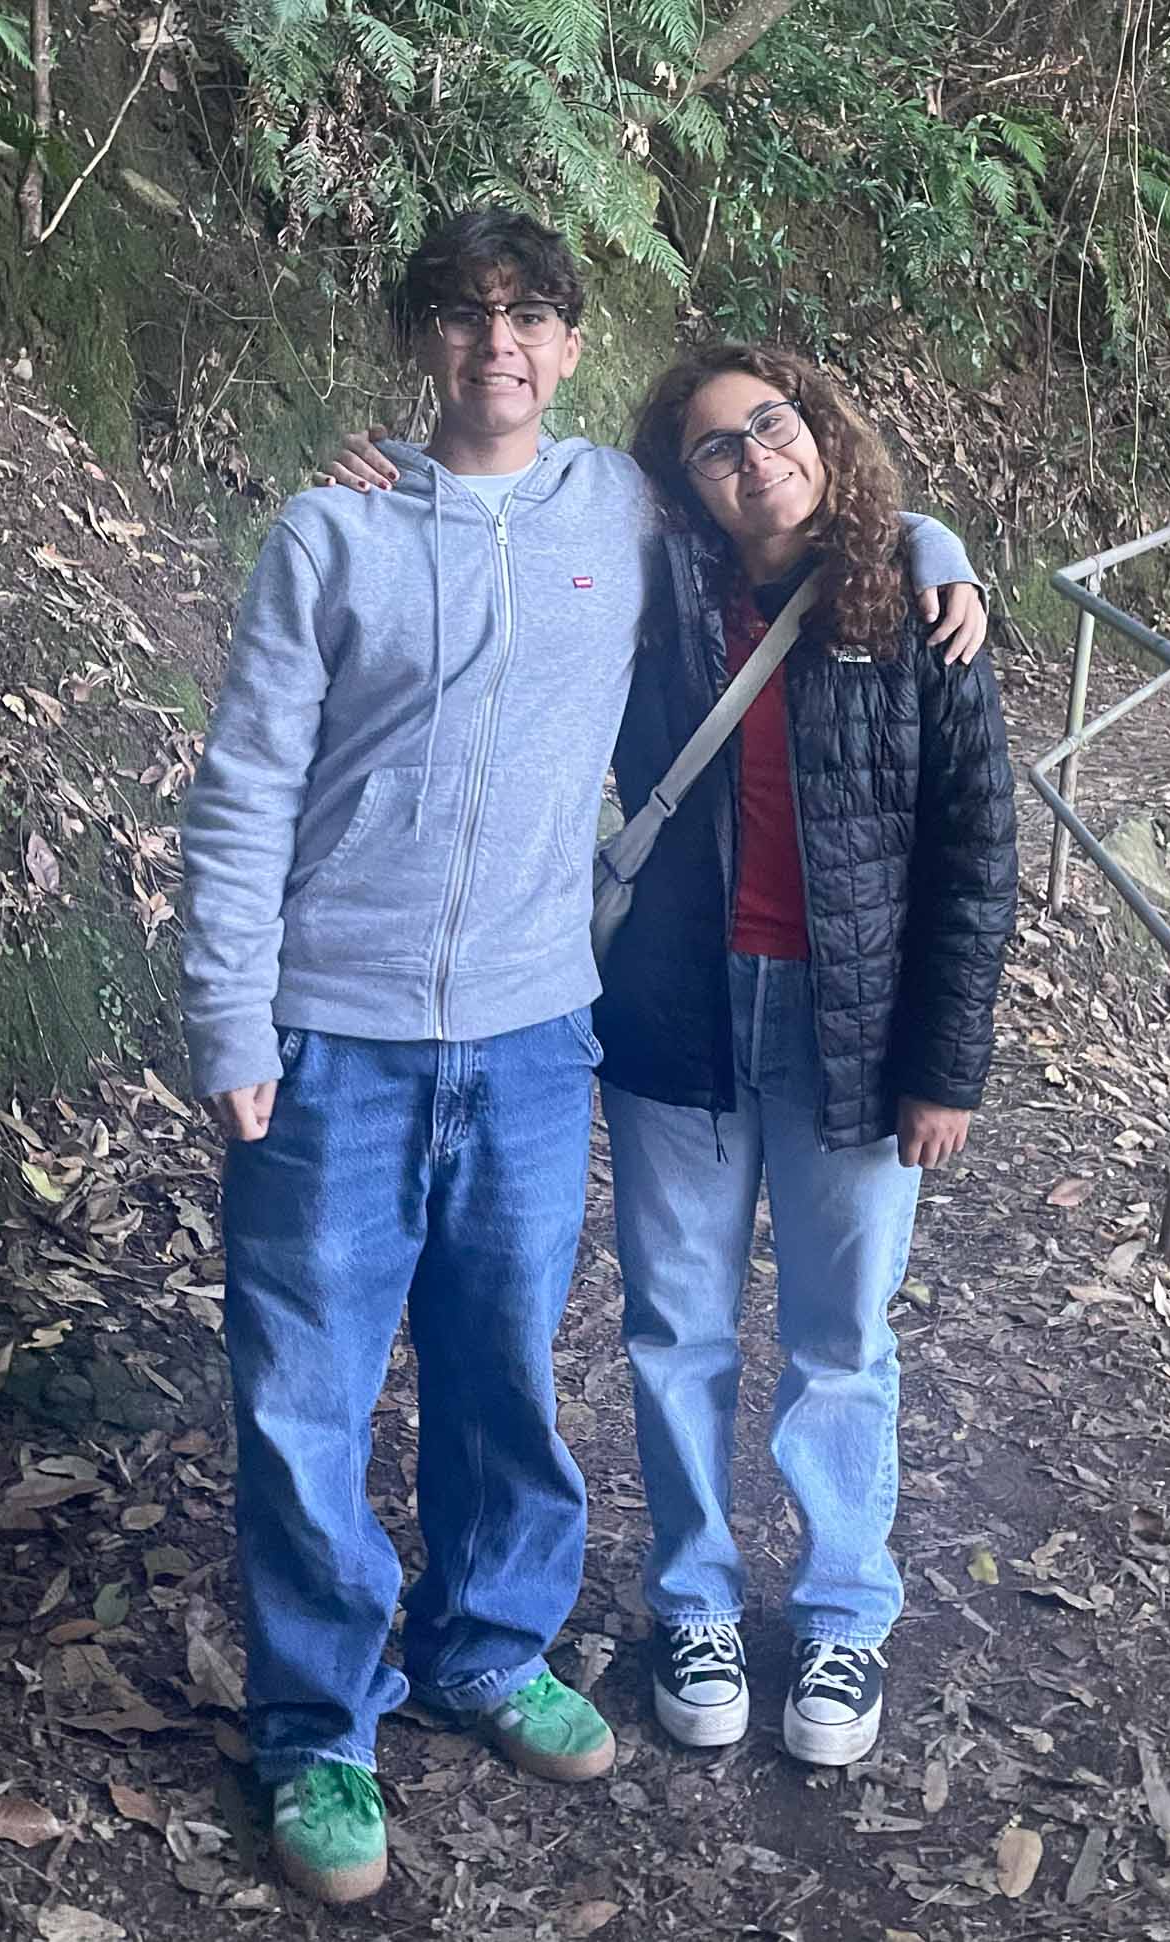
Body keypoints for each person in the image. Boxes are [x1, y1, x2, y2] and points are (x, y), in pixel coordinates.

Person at [182, 209, 984, 1907]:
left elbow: (804, 510)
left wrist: (931, 541)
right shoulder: (333, 528)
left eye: (532, 315)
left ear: (565, 345)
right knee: (308, 1390)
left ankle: (488, 1645)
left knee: (504, 1372)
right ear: (423, 342)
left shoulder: (624, 519)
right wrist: (230, 1009)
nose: (499, 345)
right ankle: (321, 1724)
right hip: (335, 1027)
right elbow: (246, 783)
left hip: (543, 1027)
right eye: (467, 318)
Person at [592, 344, 1017, 1767]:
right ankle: (696, 1600)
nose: (755, 456)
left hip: (852, 1025)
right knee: (676, 1330)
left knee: (842, 1338)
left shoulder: (915, 605)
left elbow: (976, 854)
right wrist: (384, 470)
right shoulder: (656, 593)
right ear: (686, 484)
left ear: (821, 431)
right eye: (717, 447)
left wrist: (945, 1065)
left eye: (772, 425)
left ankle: (842, 1611)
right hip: (681, 1014)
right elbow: (508, 496)